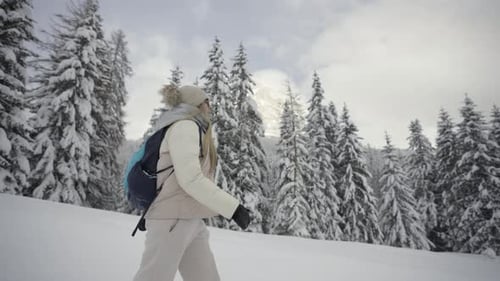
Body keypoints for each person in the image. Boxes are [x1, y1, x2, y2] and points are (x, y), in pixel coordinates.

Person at [133, 85, 251, 281]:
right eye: (206, 102)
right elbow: (190, 179)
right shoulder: (185, 127)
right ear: (196, 104)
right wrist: (233, 208)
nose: (210, 106)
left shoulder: (193, 128)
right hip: (172, 220)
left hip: (189, 218)